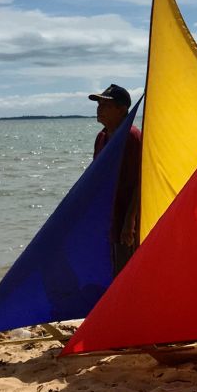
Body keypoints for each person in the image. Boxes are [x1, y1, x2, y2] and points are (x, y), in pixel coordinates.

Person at [89, 84, 142, 274]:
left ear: (121, 109)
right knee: (108, 269)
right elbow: (95, 178)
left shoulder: (132, 137)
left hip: (125, 219)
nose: (99, 108)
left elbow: (140, 181)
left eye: (106, 105)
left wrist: (130, 221)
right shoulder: (101, 137)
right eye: (99, 104)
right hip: (107, 218)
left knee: (125, 270)